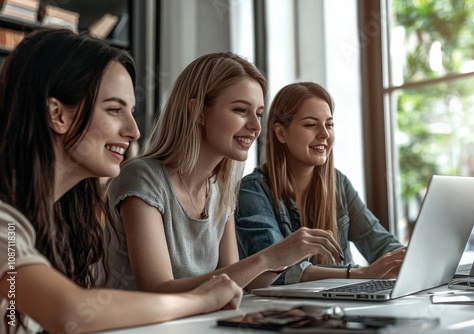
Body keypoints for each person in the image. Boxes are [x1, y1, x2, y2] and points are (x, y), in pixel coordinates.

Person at [0, 28, 242, 334]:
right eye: (114, 110)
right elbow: (71, 312)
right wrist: (201, 299)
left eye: (132, 111)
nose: (133, 131)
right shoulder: (4, 225)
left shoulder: (54, 223)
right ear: (58, 115)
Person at [104, 52, 343, 294]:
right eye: (241, 110)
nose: (255, 126)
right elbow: (158, 290)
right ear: (197, 111)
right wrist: (269, 257)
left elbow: (236, 279)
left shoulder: (220, 188)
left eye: (259, 114)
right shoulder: (142, 178)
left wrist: (285, 258)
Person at [235, 82, 406, 285]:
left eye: (329, 124)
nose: (325, 134)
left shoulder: (338, 183)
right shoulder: (252, 191)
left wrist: (408, 259)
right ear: (281, 133)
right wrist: (360, 274)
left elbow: (380, 243)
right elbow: (274, 273)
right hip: (283, 312)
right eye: (310, 124)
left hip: (340, 307)